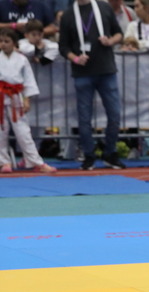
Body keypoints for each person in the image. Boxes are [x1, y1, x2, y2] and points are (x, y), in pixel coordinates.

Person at [58, 0, 127, 170]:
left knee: (115, 115)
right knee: (84, 118)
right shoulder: (68, 15)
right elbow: (63, 47)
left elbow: (119, 33)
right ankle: (89, 155)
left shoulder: (104, 7)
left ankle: (110, 153)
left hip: (106, 70)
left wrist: (110, 41)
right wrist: (75, 58)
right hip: (83, 72)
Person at [0, 28, 56, 173]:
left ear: (14, 43)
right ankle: (4, 162)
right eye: (1, 41)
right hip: (1, 96)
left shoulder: (22, 59)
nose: (3, 44)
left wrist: (27, 99)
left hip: (16, 97)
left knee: (23, 132)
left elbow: (28, 81)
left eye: (7, 41)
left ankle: (35, 161)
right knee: (1, 132)